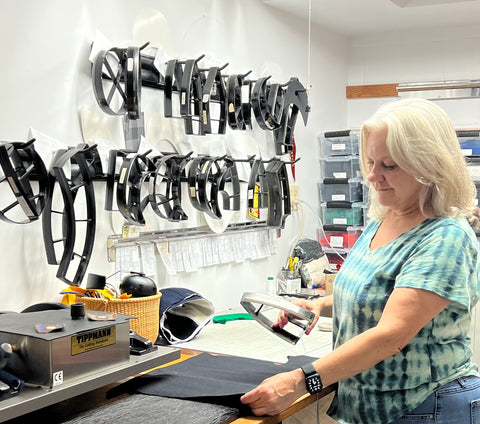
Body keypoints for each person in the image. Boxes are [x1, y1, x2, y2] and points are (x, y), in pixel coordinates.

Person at [240, 98, 480, 424]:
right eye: (370, 162)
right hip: (369, 406)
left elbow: (392, 335)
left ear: (429, 166)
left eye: (389, 166)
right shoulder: (381, 221)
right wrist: (319, 306)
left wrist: (300, 381)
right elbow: (374, 295)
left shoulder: (444, 237)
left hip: (426, 405)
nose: (372, 176)